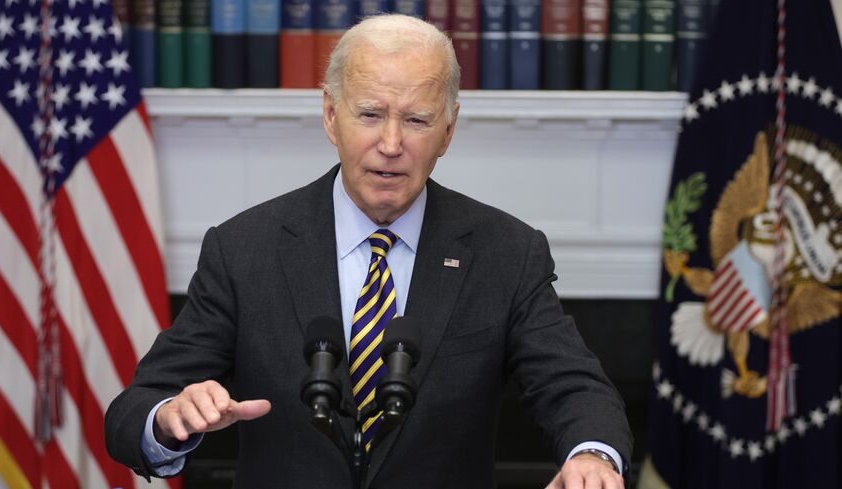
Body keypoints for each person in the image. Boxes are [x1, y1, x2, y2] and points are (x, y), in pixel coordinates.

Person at [104, 14, 632, 489]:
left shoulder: (506, 253)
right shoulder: (244, 249)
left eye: (418, 120)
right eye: (371, 114)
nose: (392, 143)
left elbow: (573, 385)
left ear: (448, 130)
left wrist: (593, 455)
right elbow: (134, 411)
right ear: (331, 116)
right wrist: (168, 418)